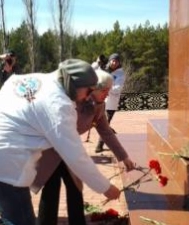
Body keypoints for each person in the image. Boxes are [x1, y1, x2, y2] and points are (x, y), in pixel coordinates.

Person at [0, 59, 121, 225]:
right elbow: (76, 156)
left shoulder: (32, 79)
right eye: (88, 91)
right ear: (75, 85)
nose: (88, 97)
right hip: (0, 168)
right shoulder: (59, 106)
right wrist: (105, 187)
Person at [32, 69, 136, 225]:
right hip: (52, 148)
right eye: (105, 90)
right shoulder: (72, 100)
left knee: (75, 188)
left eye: (109, 90)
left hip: (70, 148)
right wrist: (104, 187)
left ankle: (77, 221)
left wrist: (124, 156)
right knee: (51, 189)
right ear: (93, 88)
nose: (107, 94)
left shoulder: (99, 106)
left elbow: (106, 132)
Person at [95, 53, 126, 153]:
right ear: (109, 60)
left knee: (105, 124)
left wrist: (106, 86)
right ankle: (110, 131)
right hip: (99, 100)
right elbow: (92, 72)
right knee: (96, 122)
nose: (114, 62)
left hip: (111, 103)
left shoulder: (120, 74)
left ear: (119, 63)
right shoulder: (103, 68)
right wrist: (97, 62)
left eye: (116, 61)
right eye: (112, 60)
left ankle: (99, 145)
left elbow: (117, 89)